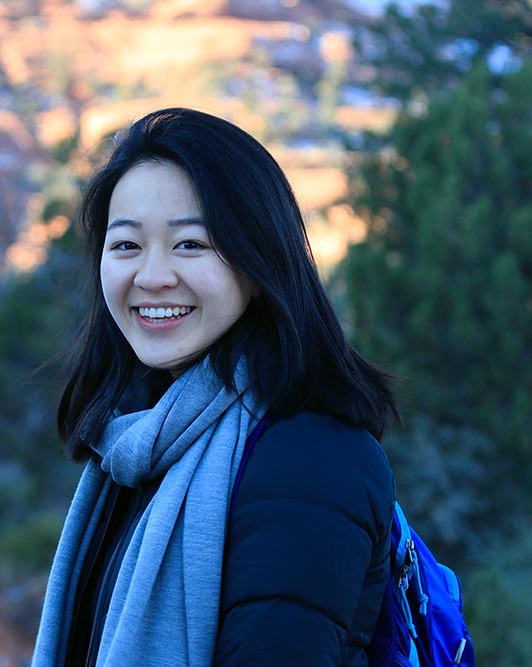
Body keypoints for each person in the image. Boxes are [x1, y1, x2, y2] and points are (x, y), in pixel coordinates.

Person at [33, 108, 399, 667]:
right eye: (126, 245)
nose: (152, 276)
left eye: (190, 245)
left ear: (258, 265)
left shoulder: (313, 459)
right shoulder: (136, 445)